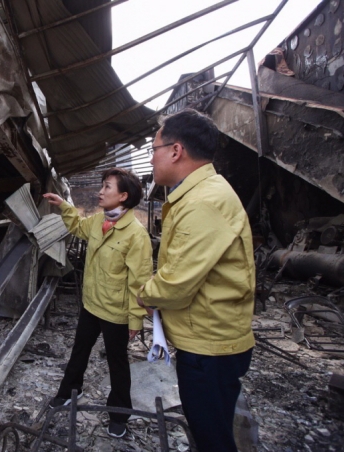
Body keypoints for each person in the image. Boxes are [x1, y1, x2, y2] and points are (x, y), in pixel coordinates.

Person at [136, 109, 255, 452]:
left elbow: (176, 282)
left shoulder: (204, 201)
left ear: (176, 151)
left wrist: (145, 295)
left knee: (212, 436)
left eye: (154, 150)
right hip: (208, 336)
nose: (153, 159)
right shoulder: (198, 194)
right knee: (212, 426)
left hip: (210, 346)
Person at [43, 167, 153, 439]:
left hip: (116, 312)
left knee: (117, 363)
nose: (100, 192)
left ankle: (119, 414)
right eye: (102, 186)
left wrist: (135, 319)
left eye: (107, 187)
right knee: (80, 349)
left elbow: (139, 281)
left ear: (123, 196)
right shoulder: (97, 221)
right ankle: (70, 391)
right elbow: (78, 226)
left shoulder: (136, 235)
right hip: (91, 305)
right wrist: (64, 206)